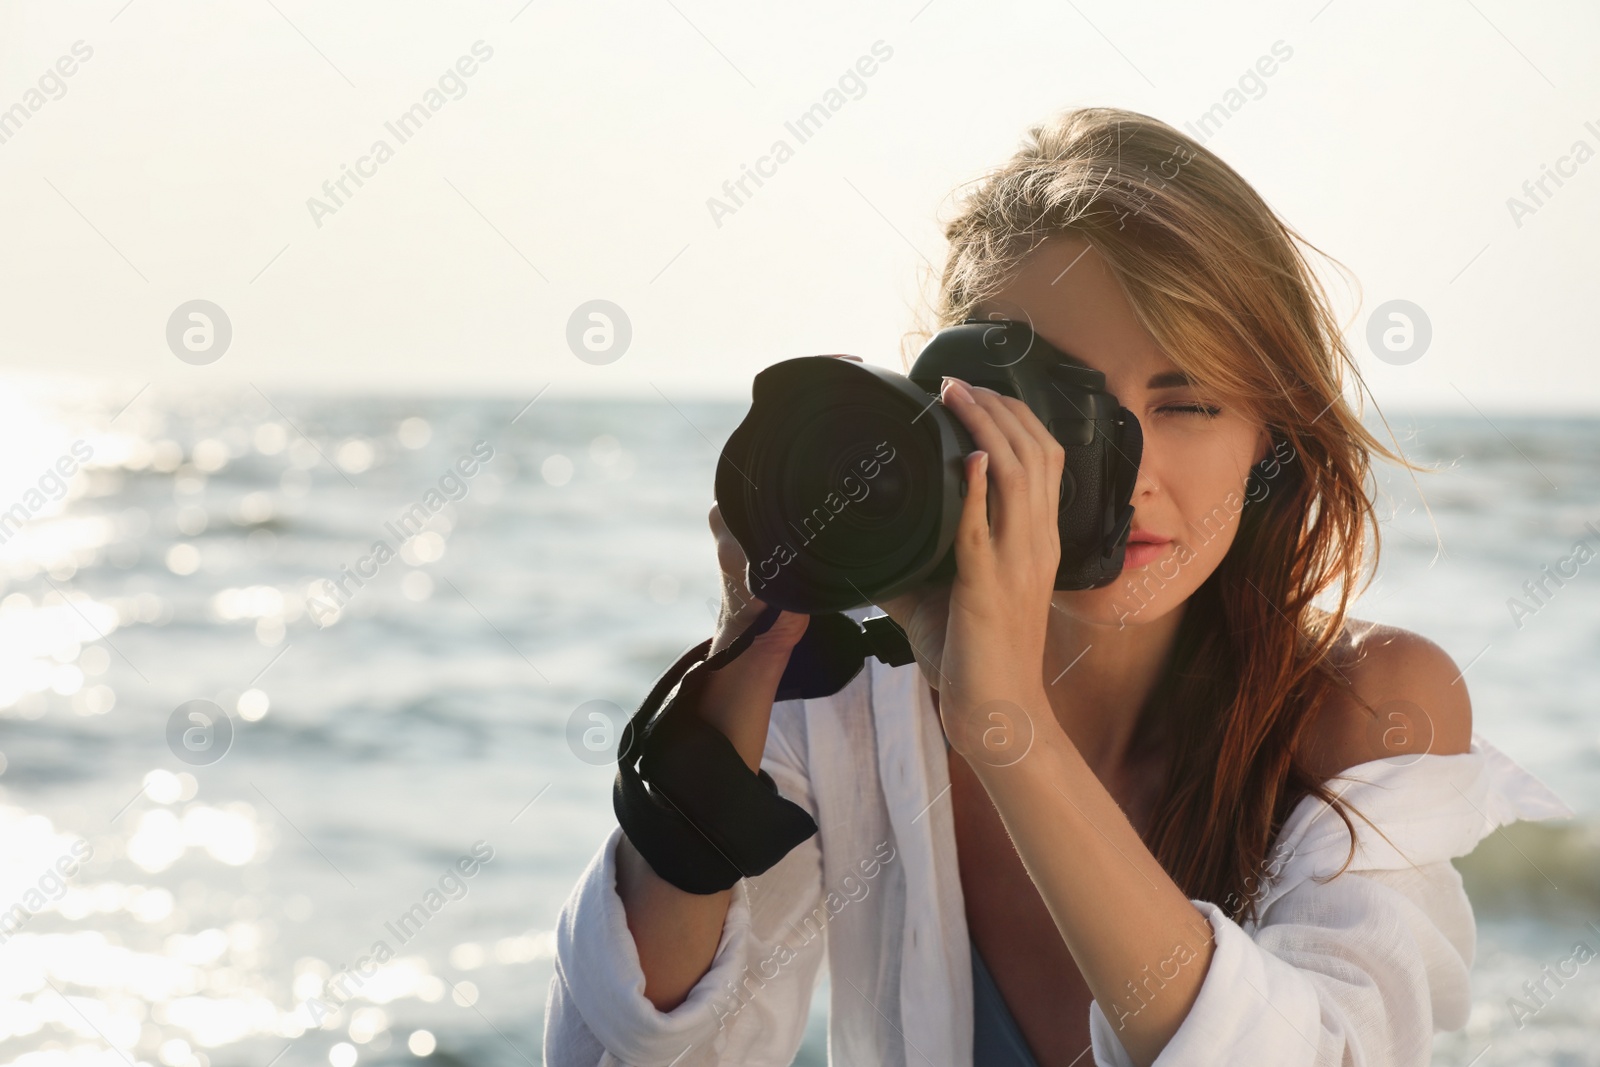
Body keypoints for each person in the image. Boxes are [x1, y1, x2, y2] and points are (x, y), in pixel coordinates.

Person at [541, 106, 1572, 1067]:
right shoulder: (861, 702)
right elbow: (621, 1049)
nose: (1124, 476)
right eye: (1063, 407)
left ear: (1274, 438)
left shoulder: (1357, 707)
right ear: (951, 408)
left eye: (1188, 403)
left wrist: (1006, 729)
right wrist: (744, 663)